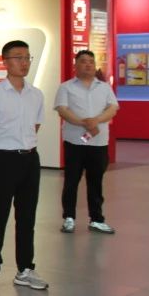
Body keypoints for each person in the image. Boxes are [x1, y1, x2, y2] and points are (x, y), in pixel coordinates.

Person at [0, 40, 48, 291]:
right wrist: (0, 151)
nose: (24, 62)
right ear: (5, 62)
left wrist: (23, 146)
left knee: (27, 217)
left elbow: (35, 126)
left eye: (27, 57)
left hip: (30, 159)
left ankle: (25, 269)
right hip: (2, 160)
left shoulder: (36, 94)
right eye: (18, 57)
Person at [54, 50, 120, 234]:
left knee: (96, 182)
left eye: (91, 61)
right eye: (83, 61)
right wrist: (83, 122)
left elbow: (113, 108)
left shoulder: (104, 87)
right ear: (75, 65)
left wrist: (95, 121)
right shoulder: (66, 87)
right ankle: (69, 218)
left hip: (98, 143)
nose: (88, 65)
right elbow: (62, 110)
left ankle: (96, 219)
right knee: (71, 181)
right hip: (74, 142)